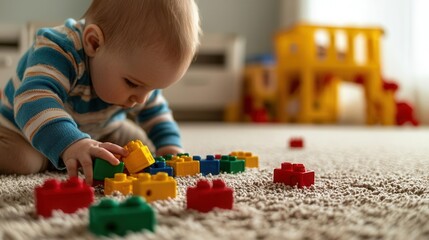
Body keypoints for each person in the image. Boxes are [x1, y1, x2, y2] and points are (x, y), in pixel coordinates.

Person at [0, 0, 200, 185]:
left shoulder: (140, 78)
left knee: (139, 150)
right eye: (132, 84)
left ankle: (73, 151)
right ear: (94, 43)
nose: (141, 99)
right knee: (25, 162)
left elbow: (156, 112)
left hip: (100, 129)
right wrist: (73, 142)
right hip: (21, 130)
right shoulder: (60, 49)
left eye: (153, 89)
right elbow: (33, 99)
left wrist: (170, 147)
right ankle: (60, 152)